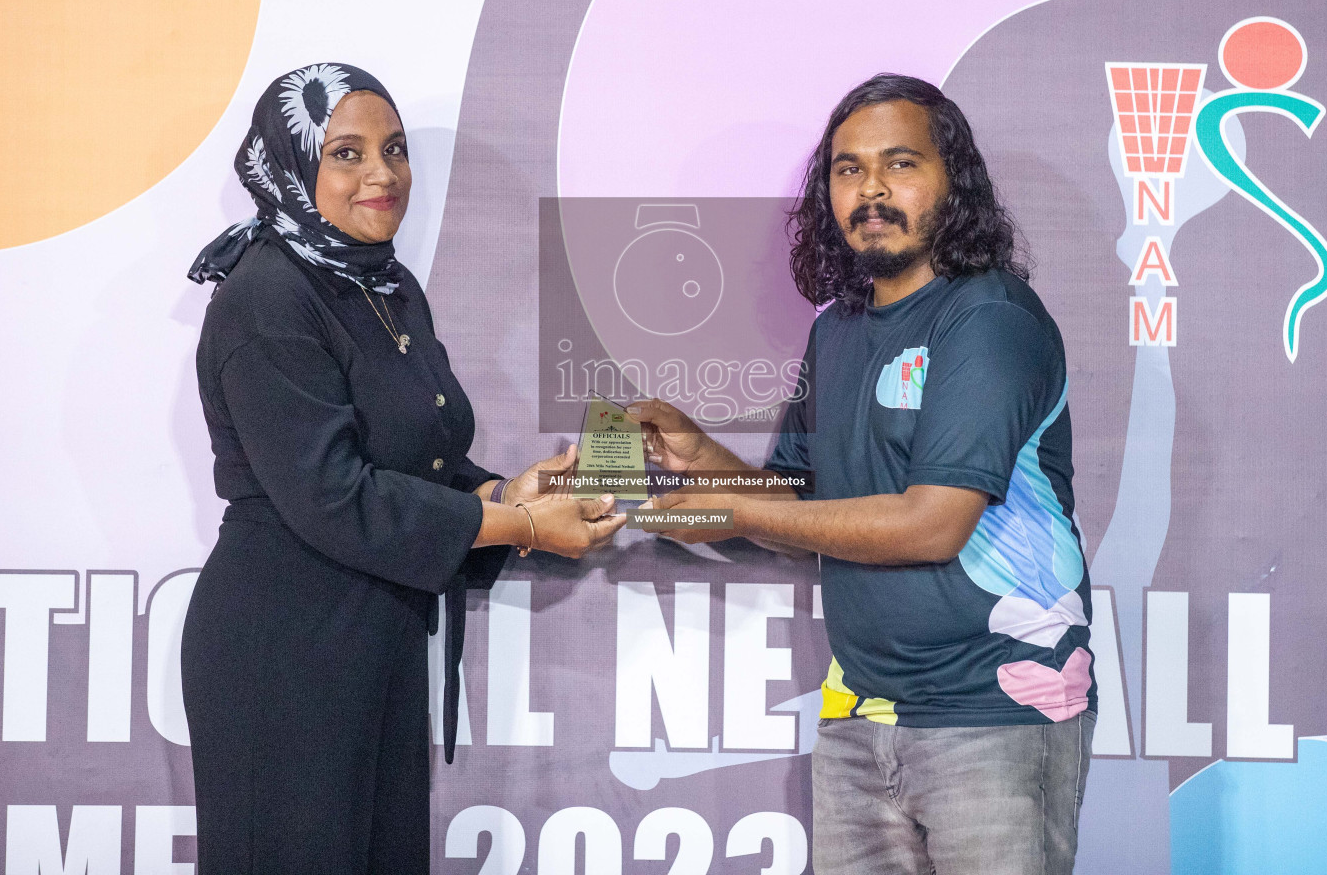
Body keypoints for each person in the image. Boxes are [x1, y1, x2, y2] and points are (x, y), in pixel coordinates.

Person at [634, 73, 1094, 875]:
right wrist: (697, 454)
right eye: (849, 170)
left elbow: (931, 523)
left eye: (900, 164)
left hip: (993, 713)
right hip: (858, 717)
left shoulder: (990, 318)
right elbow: (802, 498)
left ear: (955, 184)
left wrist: (734, 514)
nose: (872, 189)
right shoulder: (838, 330)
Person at [182, 63, 624, 874]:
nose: (382, 175)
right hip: (280, 646)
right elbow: (334, 494)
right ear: (292, 163)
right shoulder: (266, 295)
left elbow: (414, 459)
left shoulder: (384, 284)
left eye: (394, 150)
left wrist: (503, 491)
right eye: (346, 153)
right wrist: (523, 527)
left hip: (374, 636)